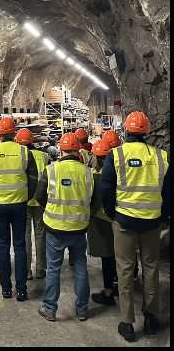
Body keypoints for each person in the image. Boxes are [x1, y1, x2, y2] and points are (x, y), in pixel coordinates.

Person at [100, 111, 169, 342]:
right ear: (147, 132)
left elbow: (106, 189)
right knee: (151, 269)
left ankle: (127, 323)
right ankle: (150, 319)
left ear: (127, 131)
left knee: (126, 270)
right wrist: (162, 216)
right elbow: (168, 193)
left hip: (124, 221)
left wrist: (114, 214)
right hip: (152, 223)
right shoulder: (161, 156)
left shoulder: (116, 154)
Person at [36, 132, 101, 322]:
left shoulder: (51, 170)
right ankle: (82, 309)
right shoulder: (88, 172)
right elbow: (94, 202)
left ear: (61, 151)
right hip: (79, 228)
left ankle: (50, 309)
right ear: (77, 151)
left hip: (55, 228)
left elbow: (39, 196)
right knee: (81, 266)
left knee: (54, 268)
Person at [0, 116, 39, 300]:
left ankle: (6, 289)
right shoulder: (24, 152)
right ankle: (21, 290)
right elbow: (33, 178)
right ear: (14, 132)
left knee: (4, 247)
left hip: (0, 205)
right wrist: (26, 196)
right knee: (20, 246)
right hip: (20, 204)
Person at [88, 138, 119, 308]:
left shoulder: (93, 178)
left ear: (94, 158)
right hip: (119, 220)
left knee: (107, 259)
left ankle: (108, 293)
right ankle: (118, 286)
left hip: (101, 224)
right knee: (119, 258)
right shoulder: (118, 176)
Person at [18, 128, 48, 280]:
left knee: (25, 235)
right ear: (32, 141)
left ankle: (27, 269)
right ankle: (40, 269)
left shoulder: (19, 155)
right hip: (40, 200)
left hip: (23, 199)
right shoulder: (44, 156)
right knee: (40, 234)